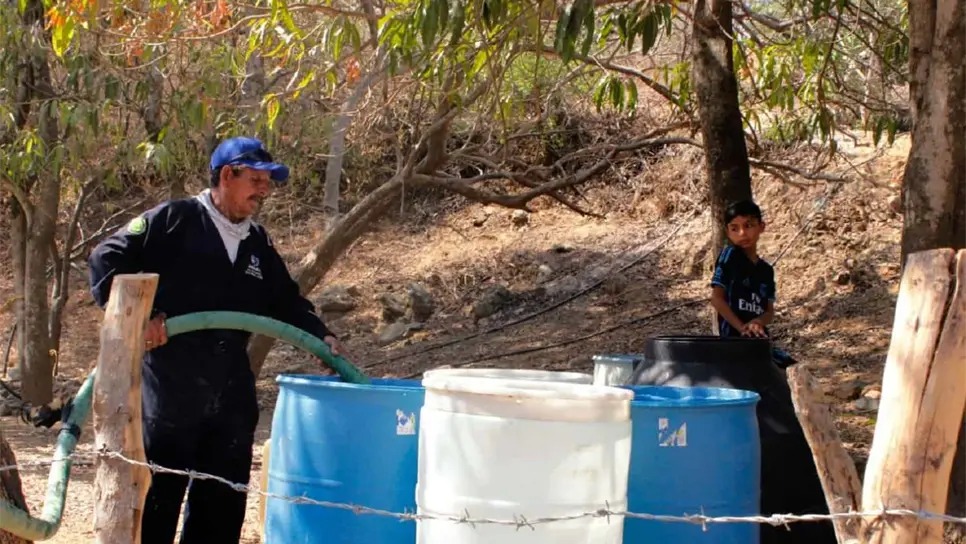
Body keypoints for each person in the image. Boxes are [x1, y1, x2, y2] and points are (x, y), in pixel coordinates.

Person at [87, 136, 346, 544]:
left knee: (221, 513)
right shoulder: (174, 220)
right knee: (155, 508)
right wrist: (139, 320)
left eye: (268, 182)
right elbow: (106, 257)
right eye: (256, 179)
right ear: (228, 174)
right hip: (168, 394)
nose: (264, 190)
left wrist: (322, 337)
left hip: (230, 398)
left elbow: (285, 302)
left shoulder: (256, 241)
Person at [709, 199, 797, 369]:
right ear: (728, 232)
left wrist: (758, 322)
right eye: (735, 228)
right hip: (733, 342)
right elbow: (717, 300)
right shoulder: (730, 256)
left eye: (748, 225)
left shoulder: (766, 271)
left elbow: (769, 312)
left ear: (761, 227)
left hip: (759, 342)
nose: (742, 233)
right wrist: (742, 328)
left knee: (792, 370)